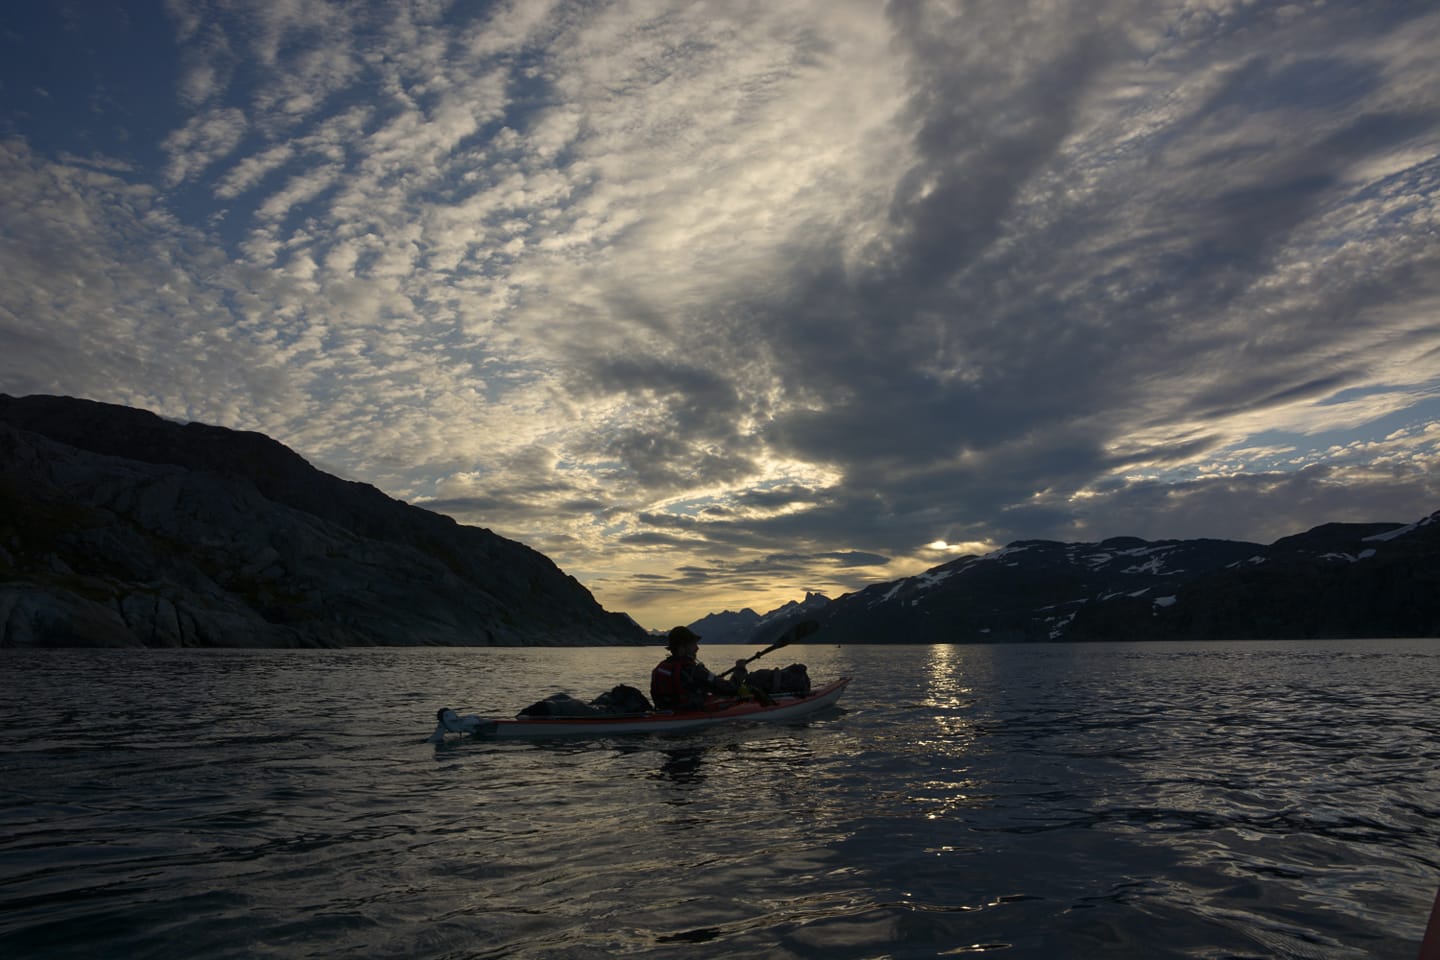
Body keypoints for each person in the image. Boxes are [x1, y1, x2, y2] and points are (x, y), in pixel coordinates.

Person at [650, 626, 748, 711]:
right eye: (693, 644)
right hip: (690, 714)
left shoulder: (661, 667)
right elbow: (730, 689)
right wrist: (740, 669)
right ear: (681, 648)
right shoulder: (694, 670)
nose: (697, 648)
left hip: (666, 712)